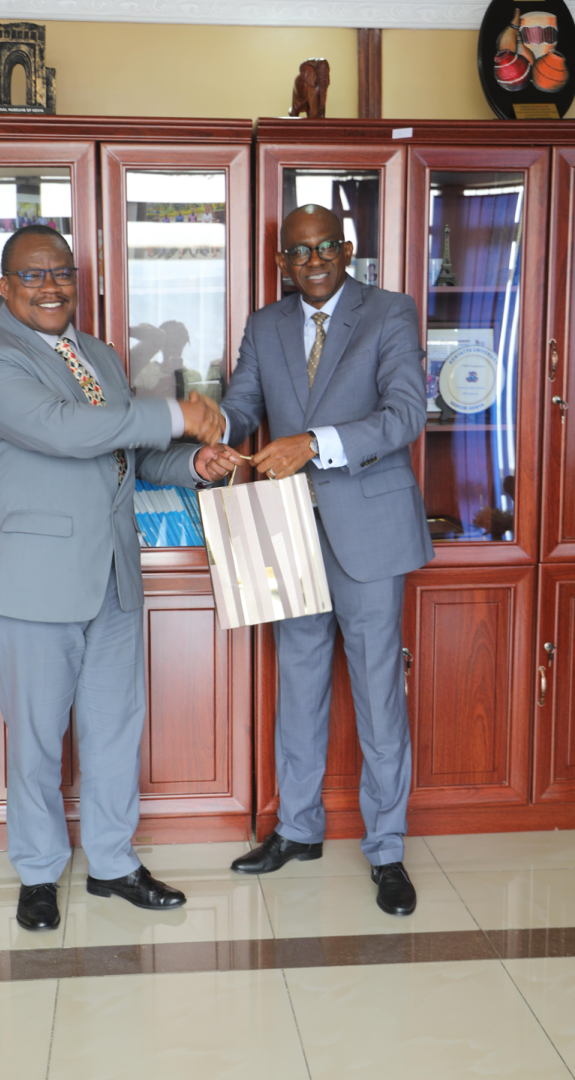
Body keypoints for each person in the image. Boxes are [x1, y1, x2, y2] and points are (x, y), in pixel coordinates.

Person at [0, 225, 224, 931]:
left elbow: (124, 453)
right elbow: (65, 430)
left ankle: (112, 863)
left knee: (113, 731)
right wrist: (177, 411)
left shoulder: (98, 355)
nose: (50, 287)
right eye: (32, 275)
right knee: (37, 739)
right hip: (30, 582)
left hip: (112, 575)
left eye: (61, 273)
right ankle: (39, 872)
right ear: (3, 287)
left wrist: (191, 464)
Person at [207, 204, 434, 916]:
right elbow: (243, 407)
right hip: (287, 532)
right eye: (298, 251)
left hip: (371, 530)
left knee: (377, 693)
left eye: (326, 246)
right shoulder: (265, 324)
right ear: (281, 261)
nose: (313, 261)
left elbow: (405, 414)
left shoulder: (389, 312)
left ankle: (387, 849)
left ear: (347, 249)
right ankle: (298, 829)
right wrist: (210, 431)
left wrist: (311, 443)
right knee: (299, 684)